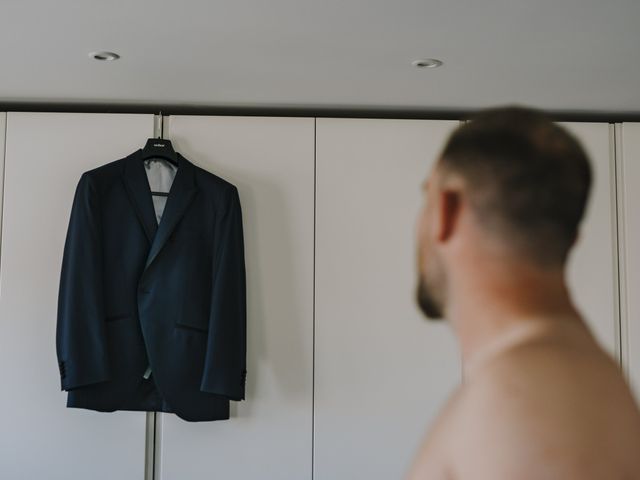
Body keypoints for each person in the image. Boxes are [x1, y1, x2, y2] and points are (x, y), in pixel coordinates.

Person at [406, 105, 640, 479]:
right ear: (571, 238)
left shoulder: (525, 398)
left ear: (446, 211)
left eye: (425, 196)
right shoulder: (553, 377)